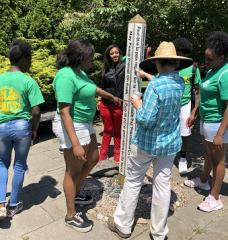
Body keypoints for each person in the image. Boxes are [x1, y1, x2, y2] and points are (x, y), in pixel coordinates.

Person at [108, 42, 192, 240]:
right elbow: (163, 85)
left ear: (157, 63)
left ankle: (123, 225)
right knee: (162, 185)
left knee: (133, 181)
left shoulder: (155, 85)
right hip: (169, 143)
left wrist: (138, 103)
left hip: (147, 143)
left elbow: (146, 118)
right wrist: (147, 78)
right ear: (175, 64)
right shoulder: (179, 82)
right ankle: (159, 233)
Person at [52, 39, 121, 233]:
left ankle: (75, 193)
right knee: (72, 170)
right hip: (72, 126)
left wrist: (109, 96)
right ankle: (71, 215)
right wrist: (75, 144)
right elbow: (64, 111)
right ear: (81, 57)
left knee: (93, 158)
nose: (93, 60)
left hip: (84, 124)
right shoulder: (66, 76)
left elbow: (91, 88)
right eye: (91, 57)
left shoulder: (79, 72)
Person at [0, 39, 44, 220]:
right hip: (21, 127)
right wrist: (34, 130)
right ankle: (14, 204)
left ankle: (1, 203)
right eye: (30, 58)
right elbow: (36, 111)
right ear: (24, 59)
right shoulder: (29, 81)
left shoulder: (0, 78)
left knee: (1, 163)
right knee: (19, 165)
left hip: (1, 127)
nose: (31, 62)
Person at [184, 31, 228, 212]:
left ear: (222, 56)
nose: (206, 62)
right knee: (208, 154)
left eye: (210, 59)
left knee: (218, 160)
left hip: (217, 123)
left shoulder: (225, 74)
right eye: (205, 58)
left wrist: (220, 134)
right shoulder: (212, 70)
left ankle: (215, 197)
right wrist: (194, 112)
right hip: (206, 122)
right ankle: (203, 181)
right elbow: (203, 95)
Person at [173, 37, 201, 174]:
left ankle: (183, 159)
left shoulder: (193, 69)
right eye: (178, 51)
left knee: (185, 133)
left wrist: (194, 111)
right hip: (171, 103)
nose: (180, 54)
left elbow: (197, 91)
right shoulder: (170, 65)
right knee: (169, 131)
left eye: (183, 52)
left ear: (187, 52)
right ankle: (168, 154)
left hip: (185, 104)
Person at [97, 44, 125, 163]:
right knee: (107, 129)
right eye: (112, 53)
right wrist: (99, 99)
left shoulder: (125, 67)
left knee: (118, 130)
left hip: (118, 103)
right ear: (108, 55)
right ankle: (102, 154)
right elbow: (101, 86)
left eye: (116, 52)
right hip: (105, 103)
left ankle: (117, 153)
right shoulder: (105, 68)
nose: (115, 55)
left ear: (120, 53)